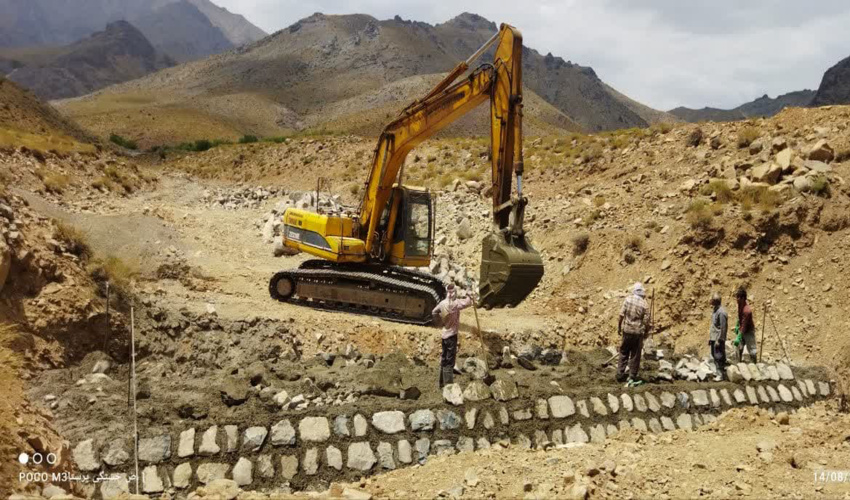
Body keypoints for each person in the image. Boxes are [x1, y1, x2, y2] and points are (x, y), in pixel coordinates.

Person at [432, 283, 473, 387]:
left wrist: (440, 322)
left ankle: (441, 383)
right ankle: (449, 386)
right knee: (450, 362)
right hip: (452, 336)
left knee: (444, 359)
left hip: (444, 334)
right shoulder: (455, 304)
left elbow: (434, 312)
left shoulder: (442, 303)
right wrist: (469, 291)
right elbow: (468, 302)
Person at [617, 282, 649, 385]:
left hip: (627, 330)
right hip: (637, 333)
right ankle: (632, 376)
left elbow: (621, 315)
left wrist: (619, 327)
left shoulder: (628, 299)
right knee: (635, 355)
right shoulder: (645, 304)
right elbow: (646, 321)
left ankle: (620, 374)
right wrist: (645, 332)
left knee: (623, 351)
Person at [708, 292, 728, 380]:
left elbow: (723, 328)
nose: (710, 300)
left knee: (718, 356)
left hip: (718, 339)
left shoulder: (721, 313)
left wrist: (719, 340)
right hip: (714, 337)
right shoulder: (715, 310)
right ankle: (718, 372)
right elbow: (714, 325)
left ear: (715, 301)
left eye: (712, 299)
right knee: (714, 355)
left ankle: (721, 374)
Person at [735, 287, 757, 362]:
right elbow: (740, 317)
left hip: (748, 331)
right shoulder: (740, 305)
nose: (737, 299)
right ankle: (739, 362)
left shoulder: (747, 310)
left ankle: (755, 364)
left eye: (739, 297)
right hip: (742, 329)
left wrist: (739, 336)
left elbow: (744, 325)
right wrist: (737, 324)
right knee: (739, 347)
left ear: (743, 298)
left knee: (752, 349)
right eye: (737, 297)